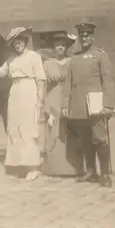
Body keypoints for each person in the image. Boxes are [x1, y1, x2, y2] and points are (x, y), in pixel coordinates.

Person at [0, 26, 47, 181]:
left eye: (20, 42)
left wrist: (40, 100)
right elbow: (0, 73)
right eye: (15, 43)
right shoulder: (11, 58)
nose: (18, 45)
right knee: (15, 127)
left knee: (28, 127)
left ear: (25, 42)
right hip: (15, 92)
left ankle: (33, 166)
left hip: (29, 90)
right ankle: (20, 164)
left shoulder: (34, 57)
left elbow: (41, 79)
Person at [61, 23, 115, 187]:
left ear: (92, 37)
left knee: (99, 138)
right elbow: (68, 83)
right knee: (85, 140)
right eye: (81, 36)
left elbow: (108, 81)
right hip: (78, 105)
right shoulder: (74, 58)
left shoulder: (100, 56)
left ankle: (105, 174)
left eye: (87, 35)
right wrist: (65, 104)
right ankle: (91, 171)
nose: (84, 38)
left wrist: (108, 105)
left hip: (95, 105)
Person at [42, 32, 84, 177]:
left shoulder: (72, 62)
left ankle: (72, 167)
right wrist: (46, 107)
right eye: (56, 45)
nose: (59, 48)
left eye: (62, 45)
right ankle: (53, 168)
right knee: (53, 130)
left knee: (71, 131)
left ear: (66, 47)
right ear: (53, 48)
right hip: (53, 98)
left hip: (69, 98)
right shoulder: (47, 64)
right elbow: (44, 87)